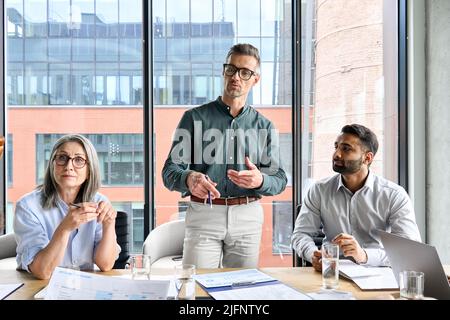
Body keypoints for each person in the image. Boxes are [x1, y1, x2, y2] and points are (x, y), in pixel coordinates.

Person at [162, 43, 287, 268]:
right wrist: (190, 178)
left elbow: (279, 180)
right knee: (197, 288)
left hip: (247, 215)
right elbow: (169, 171)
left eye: (245, 72)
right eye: (231, 69)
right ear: (223, 71)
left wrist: (261, 180)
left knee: (240, 291)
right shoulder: (193, 118)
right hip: (204, 213)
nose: (236, 77)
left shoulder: (265, 126)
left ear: (255, 79)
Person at [291, 124, 421, 271]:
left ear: (367, 157)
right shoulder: (319, 190)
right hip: (332, 273)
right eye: (336, 147)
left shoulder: (393, 195)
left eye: (346, 148)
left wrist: (364, 255)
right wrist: (312, 254)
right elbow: (300, 235)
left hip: (378, 273)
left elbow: (409, 250)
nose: (336, 155)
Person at [14, 134, 120, 279]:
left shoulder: (100, 201)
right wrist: (65, 228)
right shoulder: (28, 206)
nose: (69, 167)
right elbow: (43, 271)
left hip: (83, 286)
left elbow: (105, 264)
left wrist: (109, 224)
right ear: (52, 165)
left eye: (79, 160)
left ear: (89, 170)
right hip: (39, 286)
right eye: (62, 158)